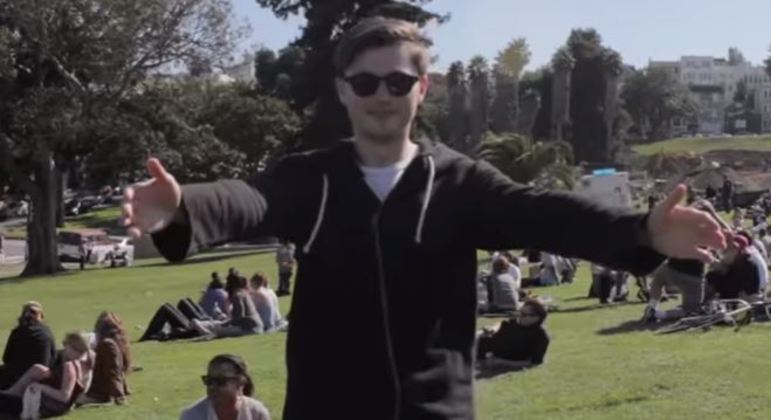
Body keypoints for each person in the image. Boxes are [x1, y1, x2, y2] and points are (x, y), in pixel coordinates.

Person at [123, 17, 726, 419]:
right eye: (365, 82)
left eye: (398, 80)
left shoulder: (459, 182)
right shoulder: (311, 179)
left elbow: (544, 215)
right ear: (344, 90)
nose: (381, 94)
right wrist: (182, 207)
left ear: (423, 88)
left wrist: (642, 231)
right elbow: (246, 199)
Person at [643, 200, 729, 322]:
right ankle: (658, 315)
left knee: (658, 281)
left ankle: (652, 307)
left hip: (671, 268)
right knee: (692, 310)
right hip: (693, 276)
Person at [0, 332, 90, 418]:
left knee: (5, 401)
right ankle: (11, 393)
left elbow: (64, 396)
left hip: (49, 406)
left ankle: (11, 394)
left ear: (71, 347)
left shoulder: (69, 366)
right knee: (37, 370)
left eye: (67, 345)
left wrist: (41, 387)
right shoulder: (81, 364)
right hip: (57, 405)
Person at [180, 354, 270, 420]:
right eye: (209, 380)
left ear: (240, 382)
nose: (212, 386)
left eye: (220, 381)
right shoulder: (191, 416)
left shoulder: (256, 412)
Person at [476, 299, 550, 368]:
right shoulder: (513, 322)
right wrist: (492, 329)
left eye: (524, 314)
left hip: (497, 358)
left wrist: (501, 362)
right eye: (520, 312)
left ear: (536, 317)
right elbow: (501, 324)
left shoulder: (541, 337)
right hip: (481, 351)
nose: (519, 316)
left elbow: (534, 362)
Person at [0, 302, 57, 389]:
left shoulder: (17, 332)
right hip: (41, 379)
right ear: (41, 316)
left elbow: (6, 358)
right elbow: (53, 358)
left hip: (16, 379)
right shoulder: (47, 332)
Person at [81, 312, 131, 405]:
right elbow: (119, 369)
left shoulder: (107, 345)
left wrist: (119, 396)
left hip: (97, 394)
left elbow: (113, 371)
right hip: (102, 391)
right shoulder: (120, 342)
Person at [191, 276, 264, 338]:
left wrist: (225, 324)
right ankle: (200, 324)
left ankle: (204, 330)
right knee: (218, 324)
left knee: (218, 329)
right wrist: (226, 322)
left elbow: (239, 317)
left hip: (249, 329)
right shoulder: (243, 293)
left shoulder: (237, 295)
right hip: (255, 327)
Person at [706, 235, 763, 301]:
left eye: (725, 251)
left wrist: (723, 270)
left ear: (735, 251)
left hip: (742, 303)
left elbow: (732, 289)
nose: (721, 256)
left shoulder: (747, 266)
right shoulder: (736, 264)